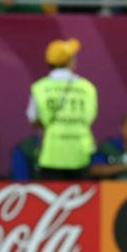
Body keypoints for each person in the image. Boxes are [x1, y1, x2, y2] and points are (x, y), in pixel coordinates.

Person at [26, 38, 98, 180]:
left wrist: (52, 125)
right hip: (81, 155)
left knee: (54, 200)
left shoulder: (40, 88)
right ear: (68, 61)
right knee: (80, 201)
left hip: (52, 155)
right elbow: (90, 118)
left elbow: (33, 118)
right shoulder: (87, 88)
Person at [90, 112, 127, 180]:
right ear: (122, 128)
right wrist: (126, 166)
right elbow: (94, 170)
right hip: (107, 188)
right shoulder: (108, 146)